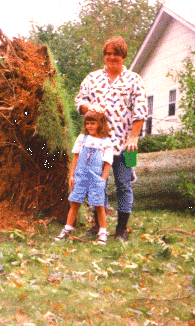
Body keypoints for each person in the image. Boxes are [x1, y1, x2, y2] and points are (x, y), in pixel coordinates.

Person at [75, 35, 147, 242]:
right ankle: (98, 226)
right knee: (97, 184)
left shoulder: (134, 80)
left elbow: (141, 112)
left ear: (123, 56)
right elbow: (79, 102)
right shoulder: (92, 78)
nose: (111, 57)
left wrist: (133, 137)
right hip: (97, 145)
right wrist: (89, 107)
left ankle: (121, 230)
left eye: (116, 53)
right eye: (108, 53)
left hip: (127, 146)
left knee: (125, 185)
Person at [55, 111, 113, 245]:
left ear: (101, 124)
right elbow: (75, 157)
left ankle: (102, 232)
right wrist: (72, 175)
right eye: (87, 123)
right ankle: (67, 229)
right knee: (75, 203)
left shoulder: (106, 142)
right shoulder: (82, 138)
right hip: (80, 177)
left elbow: (107, 164)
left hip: (96, 179)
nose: (90, 126)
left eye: (93, 123)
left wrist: (102, 181)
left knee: (99, 205)